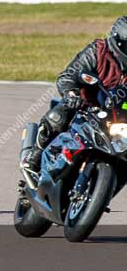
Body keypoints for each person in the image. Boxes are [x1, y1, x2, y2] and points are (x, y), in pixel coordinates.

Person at [23, 16, 127, 173]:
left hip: (117, 119)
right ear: (117, 41)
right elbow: (68, 76)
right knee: (57, 116)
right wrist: (71, 94)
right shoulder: (97, 51)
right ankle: (35, 155)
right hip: (84, 107)